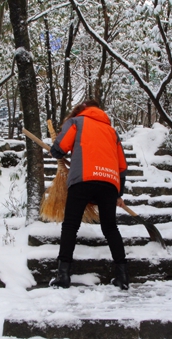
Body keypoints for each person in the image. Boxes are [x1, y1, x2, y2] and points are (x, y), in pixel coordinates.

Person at [49, 99, 129, 290]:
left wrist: (55, 151)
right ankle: (123, 276)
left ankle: (63, 275)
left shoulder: (77, 122)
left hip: (83, 180)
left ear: (82, 109)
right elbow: (122, 166)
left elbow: (60, 148)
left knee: (70, 226)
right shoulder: (112, 132)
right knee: (110, 228)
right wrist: (119, 192)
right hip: (109, 182)